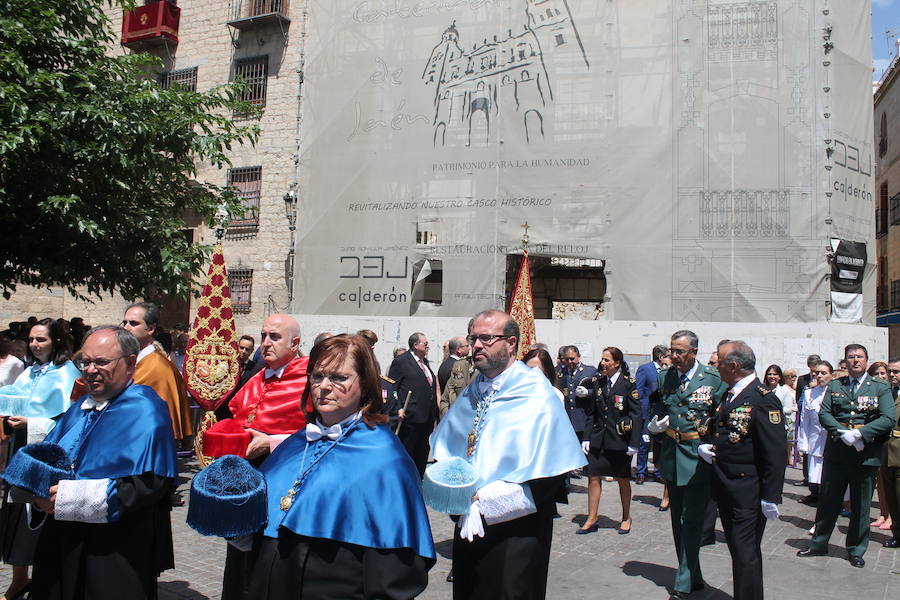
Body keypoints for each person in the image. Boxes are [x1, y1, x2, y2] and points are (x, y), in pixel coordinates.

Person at [223, 334, 436, 599]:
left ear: (366, 384)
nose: (324, 386)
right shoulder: (295, 443)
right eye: (317, 376)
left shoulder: (386, 459)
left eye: (339, 378)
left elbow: (396, 570)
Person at [430, 310, 585, 600]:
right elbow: (452, 450)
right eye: (473, 338)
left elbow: (551, 473)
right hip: (469, 522)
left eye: (486, 338)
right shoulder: (472, 391)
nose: (476, 345)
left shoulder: (538, 393)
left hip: (518, 530)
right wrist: (458, 497)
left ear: (511, 343)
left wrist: (490, 500)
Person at [29, 326, 177, 599]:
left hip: (113, 547)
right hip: (59, 539)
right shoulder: (79, 408)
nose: (90, 370)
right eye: (85, 362)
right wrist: (35, 492)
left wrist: (68, 499)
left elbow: (149, 485)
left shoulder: (145, 410)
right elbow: (44, 457)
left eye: (101, 362)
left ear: (131, 363)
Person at [698, 340, 786, 600]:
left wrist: (771, 496)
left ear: (734, 365)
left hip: (747, 489)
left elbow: (775, 452)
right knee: (738, 551)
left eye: (720, 363)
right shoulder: (730, 393)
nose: (716, 367)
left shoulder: (762, 399)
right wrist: (708, 445)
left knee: (745, 553)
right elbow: (724, 429)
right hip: (725, 484)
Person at [0, 318, 80, 600]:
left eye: (41, 340)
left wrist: (31, 422)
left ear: (56, 341)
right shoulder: (30, 371)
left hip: (46, 453)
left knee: (37, 517)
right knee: (14, 511)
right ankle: (19, 580)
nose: (34, 345)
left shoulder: (66, 373)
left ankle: (43, 583)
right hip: (20, 449)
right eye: (32, 339)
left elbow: (68, 419)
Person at [798, 344, 896, 567]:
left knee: (861, 506)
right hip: (838, 452)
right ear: (846, 361)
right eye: (851, 357)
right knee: (828, 501)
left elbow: (888, 418)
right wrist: (841, 433)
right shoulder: (835, 385)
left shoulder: (879, 387)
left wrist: (861, 434)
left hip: (865, 454)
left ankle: (856, 549)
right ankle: (818, 544)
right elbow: (824, 413)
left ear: (867, 360)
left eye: (859, 357)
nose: (855, 360)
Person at [647, 330, 727, 599]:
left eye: (679, 351)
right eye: (672, 350)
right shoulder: (665, 376)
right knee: (677, 520)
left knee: (692, 519)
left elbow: (722, 419)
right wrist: (655, 426)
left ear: (694, 352)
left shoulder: (713, 379)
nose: (674, 356)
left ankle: (682, 581)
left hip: (697, 455)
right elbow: (661, 408)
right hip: (672, 452)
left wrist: (713, 445)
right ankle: (695, 575)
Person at [579, 347, 641, 535]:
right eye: (602, 359)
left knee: (622, 478)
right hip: (599, 438)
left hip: (619, 439)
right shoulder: (597, 382)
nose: (603, 363)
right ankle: (592, 517)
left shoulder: (628, 383)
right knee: (593, 477)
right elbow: (592, 412)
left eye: (607, 360)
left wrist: (634, 443)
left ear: (617, 363)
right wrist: (587, 437)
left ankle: (625, 517)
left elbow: (636, 414)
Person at [122, 302, 193, 442]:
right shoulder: (128, 359)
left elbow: (164, 420)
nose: (126, 328)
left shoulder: (160, 368)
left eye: (133, 323)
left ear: (150, 328)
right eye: (124, 322)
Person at [388, 333, 437, 477]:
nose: (428, 347)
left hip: (426, 418)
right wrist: (398, 408)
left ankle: (418, 483)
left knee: (421, 456)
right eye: (425, 344)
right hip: (410, 418)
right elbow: (392, 387)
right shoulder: (401, 362)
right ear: (415, 345)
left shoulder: (425, 362)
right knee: (408, 455)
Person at [796, 361, 833, 506]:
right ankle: (818, 498)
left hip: (831, 441)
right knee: (816, 476)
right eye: (816, 373)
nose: (819, 376)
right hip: (815, 440)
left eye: (823, 373)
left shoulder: (834, 392)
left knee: (830, 477)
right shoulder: (809, 392)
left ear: (831, 375)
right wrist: (803, 442)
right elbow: (805, 420)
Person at [634, 345, 669, 484]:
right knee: (645, 442)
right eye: (667, 355)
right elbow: (639, 390)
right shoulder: (645, 369)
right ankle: (641, 471)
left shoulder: (670, 370)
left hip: (661, 412)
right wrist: (641, 412)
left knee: (660, 444)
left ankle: (658, 471)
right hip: (647, 412)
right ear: (661, 357)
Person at [558, 345, 597, 447]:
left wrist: (588, 393)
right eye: (567, 359)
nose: (570, 362)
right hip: (567, 420)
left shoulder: (590, 371)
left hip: (583, 419)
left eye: (572, 359)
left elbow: (600, 391)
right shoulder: (560, 373)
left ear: (579, 357)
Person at [882, 357, 900, 548]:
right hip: (886, 450)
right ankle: (897, 532)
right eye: (890, 372)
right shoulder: (886, 392)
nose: (892, 375)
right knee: (891, 497)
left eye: (896, 372)